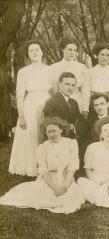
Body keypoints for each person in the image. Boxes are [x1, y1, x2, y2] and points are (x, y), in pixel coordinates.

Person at [0, 117, 85, 214]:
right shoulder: (43, 147)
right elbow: (44, 171)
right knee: (42, 197)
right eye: (48, 132)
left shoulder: (71, 144)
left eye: (54, 131)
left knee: (72, 199)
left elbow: (72, 168)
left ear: (61, 130)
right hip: (48, 180)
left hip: (67, 179)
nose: (51, 134)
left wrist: (65, 186)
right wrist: (55, 188)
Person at [9, 40, 52, 176]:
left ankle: (47, 167)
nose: (34, 52)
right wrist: (21, 116)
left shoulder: (49, 69)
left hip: (46, 102)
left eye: (37, 49)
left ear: (42, 52)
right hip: (30, 104)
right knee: (30, 135)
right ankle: (30, 169)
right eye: (31, 50)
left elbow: (54, 91)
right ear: (28, 55)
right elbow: (20, 96)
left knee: (44, 132)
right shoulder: (23, 71)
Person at [77, 116, 109, 207]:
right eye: (105, 130)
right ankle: (107, 198)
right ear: (101, 133)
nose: (108, 132)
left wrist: (108, 181)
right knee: (81, 181)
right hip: (95, 179)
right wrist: (95, 181)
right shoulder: (92, 147)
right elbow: (87, 169)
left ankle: (99, 197)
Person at [43, 72, 88, 160]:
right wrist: (69, 126)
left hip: (73, 138)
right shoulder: (51, 102)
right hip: (58, 140)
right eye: (67, 84)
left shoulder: (73, 102)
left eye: (73, 85)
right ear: (59, 84)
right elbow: (51, 125)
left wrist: (74, 126)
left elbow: (81, 121)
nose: (70, 88)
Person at [50, 37, 90, 118]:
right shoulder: (53, 67)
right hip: (60, 102)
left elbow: (86, 89)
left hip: (78, 101)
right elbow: (52, 89)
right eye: (69, 49)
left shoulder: (82, 67)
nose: (72, 52)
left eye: (75, 50)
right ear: (63, 49)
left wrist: (86, 108)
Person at [89, 43, 109, 115]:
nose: (105, 57)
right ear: (97, 55)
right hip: (96, 102)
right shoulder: (90, 72)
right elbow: (88, 92)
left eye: (107, 55)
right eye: (102, 54)